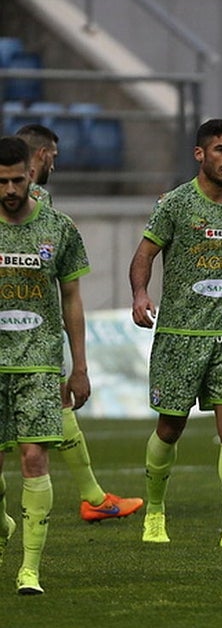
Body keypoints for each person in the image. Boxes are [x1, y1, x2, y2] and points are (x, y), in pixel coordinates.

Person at [129, 118, 222, 548]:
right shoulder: (174, 205)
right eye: (221, 150)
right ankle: (154, 510)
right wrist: (139, 293)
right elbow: (145, 253)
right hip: (179, 335)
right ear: (200, 154)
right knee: (170, 428)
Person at [16, 123, 143, 523]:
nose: (56, 162)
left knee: (59, 405)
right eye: (53, 155)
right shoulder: (36, 201)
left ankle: (93, 496)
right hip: (24, 338)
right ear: (40, 156)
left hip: (29, 337)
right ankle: (91, 496)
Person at [0, 135, 92, 594]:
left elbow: (73, 299)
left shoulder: (59, 228)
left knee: (34, 458)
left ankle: (29, 569)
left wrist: (79, 367)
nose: (10, 189)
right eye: (2, 182)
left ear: (31, 174)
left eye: (17, 179)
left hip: (39, 362)